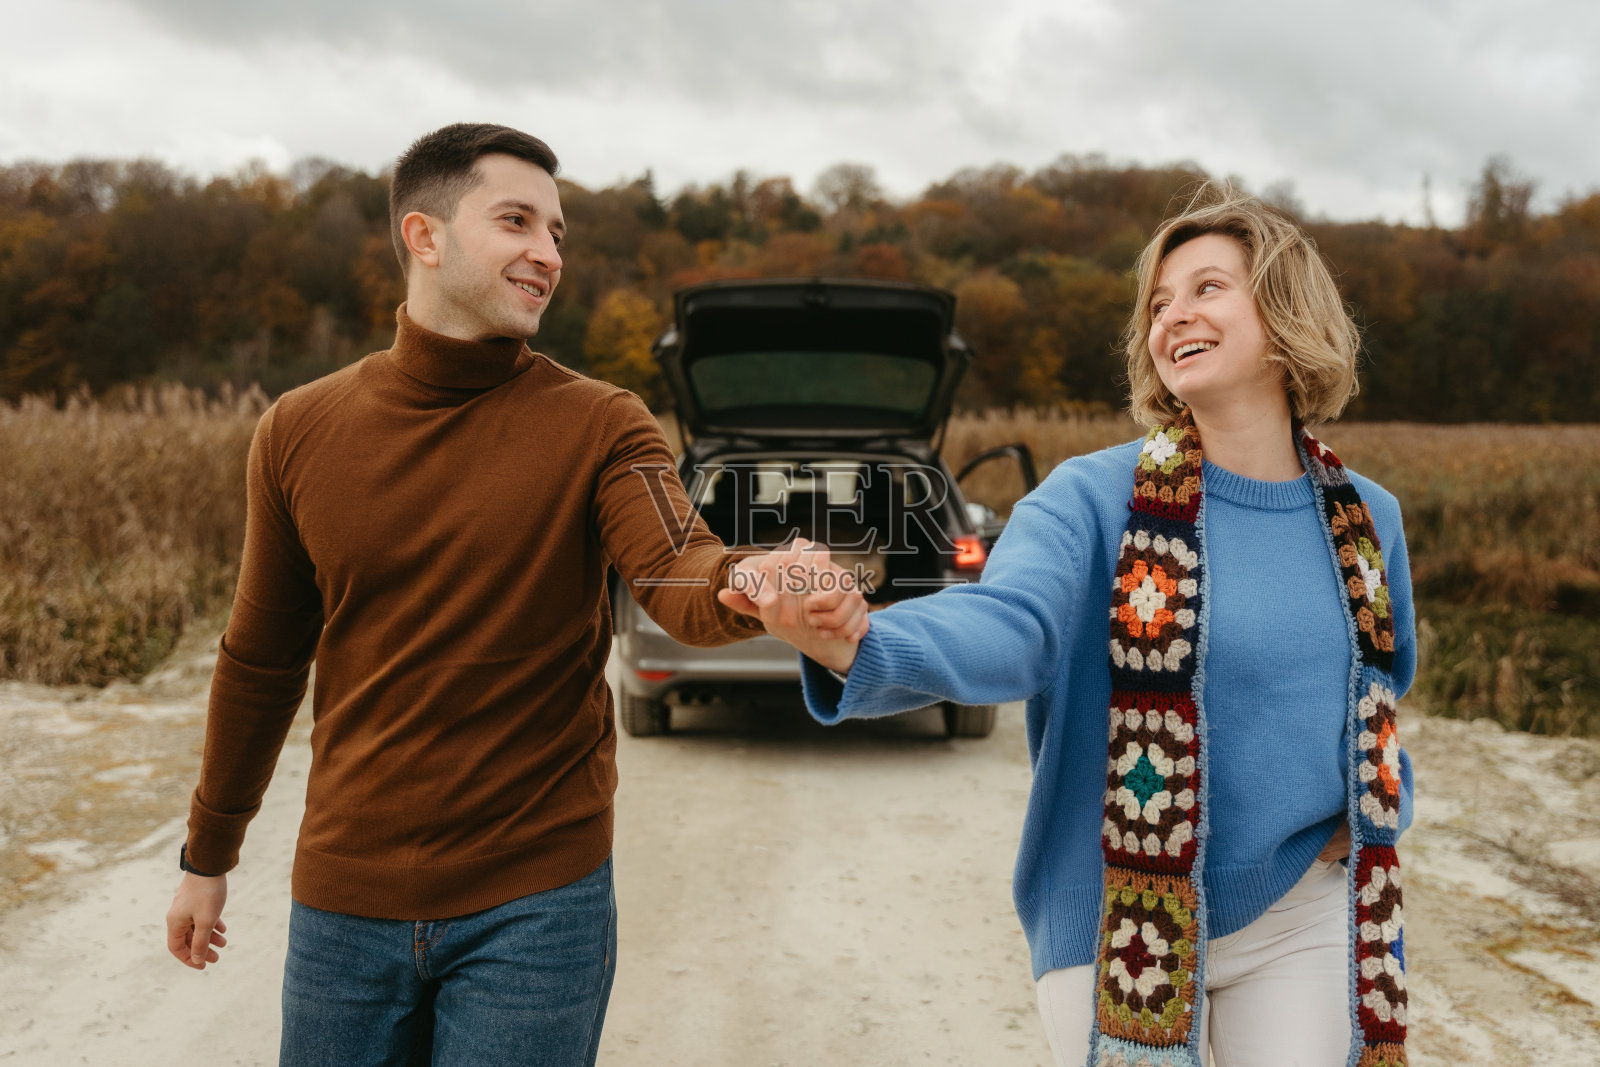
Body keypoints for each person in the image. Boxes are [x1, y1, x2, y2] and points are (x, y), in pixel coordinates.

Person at [163, 122, 866, 1066]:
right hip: (344, 900)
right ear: (425, 236)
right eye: (517, 222)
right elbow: (259, 659)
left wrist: (751, 578)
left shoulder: (601, 422)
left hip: (538, 904)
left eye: (559, 233)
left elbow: (678, 570)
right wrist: (207, 856)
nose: (548, 253)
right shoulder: (297, 429)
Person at [728, 186, 1415, 1067]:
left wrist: (1374, 797)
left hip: (1303, 913)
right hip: (1121, 920)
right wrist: (860, 641)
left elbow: (1379, 684)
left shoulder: (1367, 520)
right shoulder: (1093, 497)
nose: (1174, 316)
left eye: (1207, 288)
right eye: (1159, 303)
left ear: (1284, 317)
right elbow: (1009, 626)